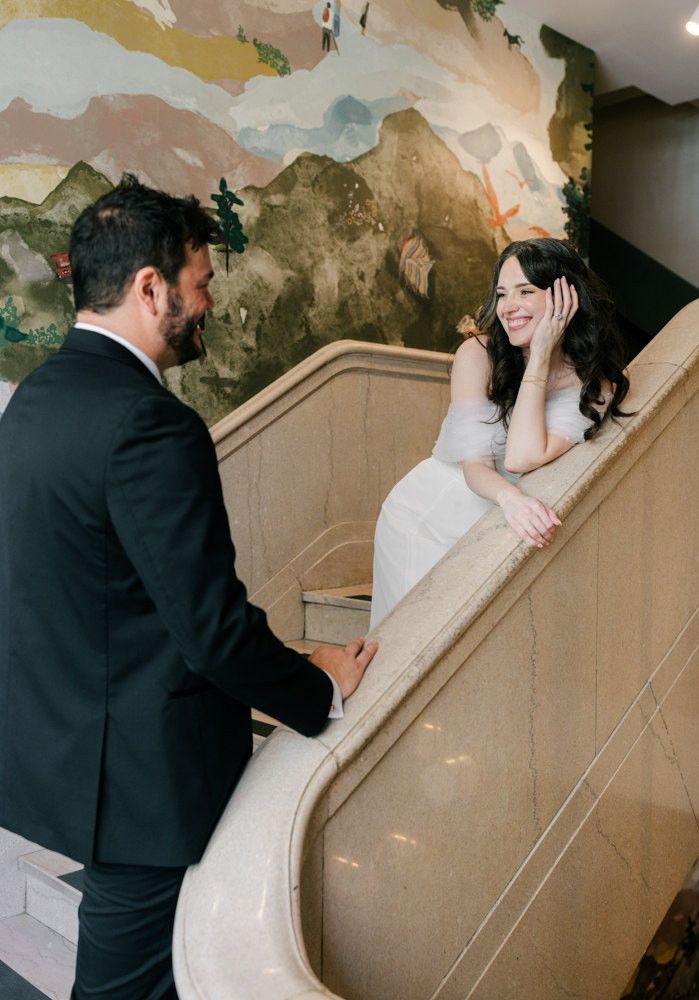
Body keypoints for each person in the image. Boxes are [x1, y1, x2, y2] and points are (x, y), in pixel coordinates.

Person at [0, 175, 377, 1000]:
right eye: (200, 283)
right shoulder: (150, 422)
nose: (206, 304)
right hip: (142, 780)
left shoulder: (33, 401)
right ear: (150, 287)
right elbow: (207, 628)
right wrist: (314, 681)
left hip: (70, 751)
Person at [370, 237, 629, 627]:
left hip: (497, 524)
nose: (508, 307)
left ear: (566, 298)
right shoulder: (476, 354)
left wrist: (541, 355)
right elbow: (478, 466)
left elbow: (523, 456)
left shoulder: (596, 384)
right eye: (502, 293)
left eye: (526, 291)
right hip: (427, 517)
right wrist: (511, 499)